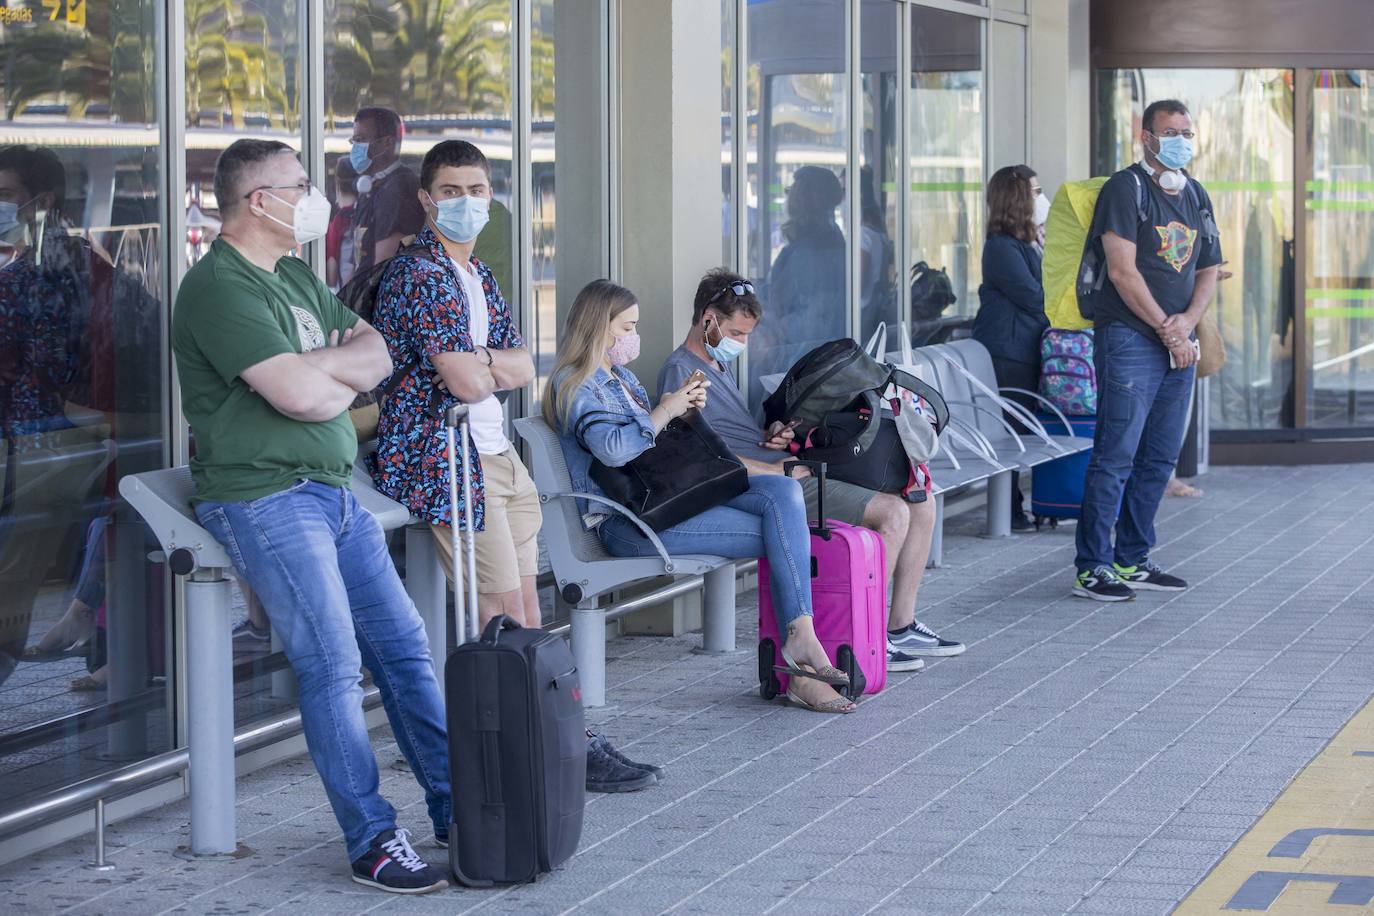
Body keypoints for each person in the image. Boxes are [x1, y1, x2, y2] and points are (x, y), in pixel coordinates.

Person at [172, 138, 449, 893]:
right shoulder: (218, 288)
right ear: (260, 201)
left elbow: (380, 353)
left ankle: (460, 810)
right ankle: (374, 841)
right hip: (267, 497)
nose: (315, 198)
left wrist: (316, 372)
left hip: (332, 491)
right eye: (300, 185)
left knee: (405, 648)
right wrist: (322, 379)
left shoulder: (291, 273)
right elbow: (298, 399)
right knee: (331, 664)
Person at [370, 140, 660, 793]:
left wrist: (487, 363)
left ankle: (555, 734)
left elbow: (522, 365)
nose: (465, 202)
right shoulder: (419, 274)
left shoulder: (479, 276)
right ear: (425, 198)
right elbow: (469, 380)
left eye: (476, 190)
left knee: (529, 602)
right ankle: (544, 747)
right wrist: (485, 363)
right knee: (501, 614)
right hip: (448, 458)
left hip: (496, 451)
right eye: (450, 191)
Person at [548, 279, 857, 714]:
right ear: (600, 327)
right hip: (629, 523)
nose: (635, 337)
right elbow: (613, 450)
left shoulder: (621, 379)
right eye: (628, 327)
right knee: (784, 531)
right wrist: (667, 409)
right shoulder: (576, 385)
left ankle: (801, 639)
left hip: (668, 501)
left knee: (784, 491)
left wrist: (683, 413)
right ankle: (801, 653)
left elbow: (656, 445)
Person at [658, 269, 965, 674]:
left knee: (920, 500)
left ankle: (900, 626)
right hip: (769, 484)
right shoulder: (682, 373)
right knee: (893, 514)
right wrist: (774, 467)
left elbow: (729, 433)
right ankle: (869, 639)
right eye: (736, 333)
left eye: (747, 335)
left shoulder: (715, 364)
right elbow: (703, 457)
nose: (742, 344)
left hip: (782, 469)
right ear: (707, 319)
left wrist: (771, 434)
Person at [1072, 99, 1221, 601]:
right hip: (1131, 339)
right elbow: (1121, 270)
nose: (1181, 139)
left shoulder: (1196, 193)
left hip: (1176, 340)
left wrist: (1189, 324)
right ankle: (1092, 566)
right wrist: (1168, 328)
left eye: (1187, 130)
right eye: (1171, 131)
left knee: (1159, 457)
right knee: (1116, 455)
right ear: (1146, 136)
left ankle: (1132, 557)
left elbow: (1208, 269)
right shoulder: (1125, 188)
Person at [973, 165, 1051, 530]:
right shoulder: (1002, 248)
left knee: (1022, 428)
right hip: (1008, 353)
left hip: (1025, 348)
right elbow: (1035, 297)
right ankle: (1009, 510)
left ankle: (1018, 506)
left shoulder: (1026, 243)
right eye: (1034, 192)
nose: (1040, 198)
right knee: (1009, 431)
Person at [749, 165, 847, 401]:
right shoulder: (830, 239)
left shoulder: (812, 251)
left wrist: (773, 328)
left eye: (793, 190)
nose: (789, 196)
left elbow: (809, 314)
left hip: (796, 356)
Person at [348, 107, 425, 281]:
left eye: (360, 140)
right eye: (353, 141)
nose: (355, 148)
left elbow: (381, 269)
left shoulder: (398, 190)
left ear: (387, 143)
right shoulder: (373, 185)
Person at [325, 155, 358, 290]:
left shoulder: (340, 220)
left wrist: (332, 288)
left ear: (337, 183)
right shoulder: (366, 212)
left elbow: (332, 260)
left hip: (344, 290)